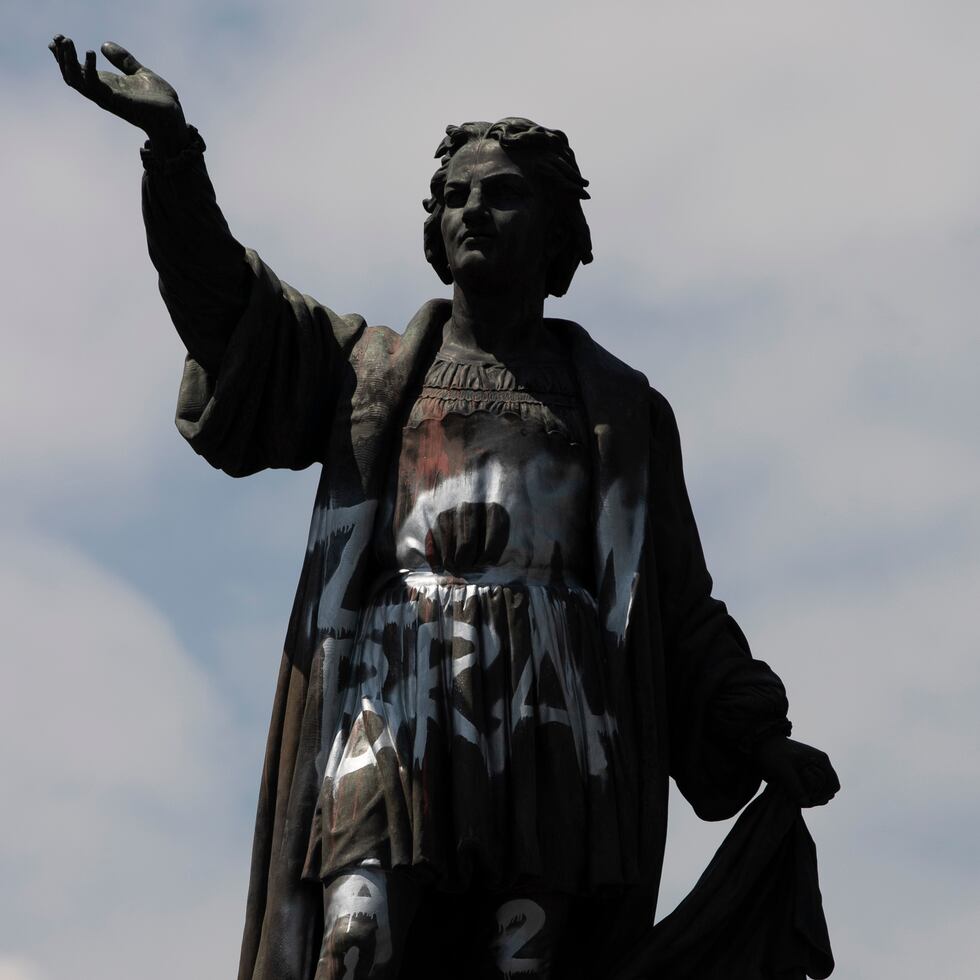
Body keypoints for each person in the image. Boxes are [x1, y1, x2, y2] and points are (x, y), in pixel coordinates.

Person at [49, 36, 840, 980]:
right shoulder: (368, 373)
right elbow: (229, 306)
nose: (474, 210)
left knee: (527, 964)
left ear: (558, 233)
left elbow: (676, 603)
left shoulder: (622, 409)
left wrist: (758, 736)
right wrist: (173, 155)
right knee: (352, 942)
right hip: (392, 696)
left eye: (504, 193)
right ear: (433, 227)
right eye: (457, 195)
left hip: (554, 716)